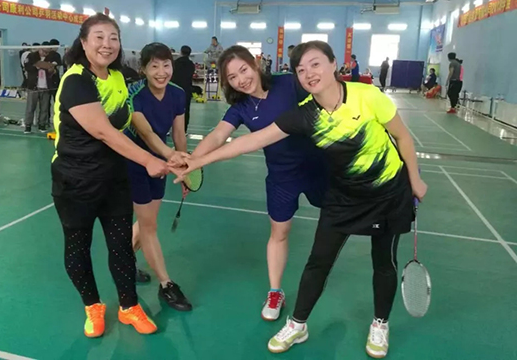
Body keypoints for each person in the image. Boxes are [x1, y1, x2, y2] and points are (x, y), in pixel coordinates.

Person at [174, 40, 427, 358]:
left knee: (384, 262)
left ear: (334, 64)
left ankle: (380, 323)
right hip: (328, 191)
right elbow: (245, 141)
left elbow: (401, 135)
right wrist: (195, 161)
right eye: (302, 69)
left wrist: (415, 179)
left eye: (315, 64)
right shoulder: (301, 115)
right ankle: (296, 321)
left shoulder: (365, 96)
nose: (309, 74)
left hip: (374, 189)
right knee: (316, 259)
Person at [189, 45, 327, 321]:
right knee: (279, 232)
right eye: (233, 77)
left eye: (243, 70)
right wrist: (191, 162)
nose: (241, 80)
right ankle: (275, 291)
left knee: (341, 218)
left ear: (254, 63)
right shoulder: (241, 107)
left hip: (320, 167)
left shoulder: (288, 83)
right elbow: (218, 136)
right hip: (281, 176)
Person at [52, 13, 168, 338]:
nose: (107, 44)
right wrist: (148, 160)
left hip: (114, 179)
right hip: (76, 181)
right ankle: (93, 306)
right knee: (78, 248)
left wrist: (167, 152)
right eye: (99, 37)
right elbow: (103, 131)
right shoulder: (76, 81)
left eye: (113, 38)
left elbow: (131, 119)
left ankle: (129, 307)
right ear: (84, 42)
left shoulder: (117, 77)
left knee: (121, 247)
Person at [126, 42, 192, 312]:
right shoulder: (134, 94)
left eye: (166, 65)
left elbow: (179, 133)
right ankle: (166, 284)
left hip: (163, 163)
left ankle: (124, 262)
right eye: (154, 66)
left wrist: (185, 166)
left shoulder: (177, 94)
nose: (162, 72)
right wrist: (171, 157)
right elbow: (147, 134)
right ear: (143, 69)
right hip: (134, 161)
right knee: (149, 226)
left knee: (147, 221)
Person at [23, 43, 51, 133]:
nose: (45, 54)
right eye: (44, 51)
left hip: (46, 86)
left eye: (47, 52)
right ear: (40, 49)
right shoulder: (31, 56)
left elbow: (54, 70)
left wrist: (51, 69)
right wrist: (36, 67)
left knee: (44, 108)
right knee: (30, 107)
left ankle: (42, 125)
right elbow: (27, 67)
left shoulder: (50, 57)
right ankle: (28, 126)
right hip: (33, 86)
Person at [171, 45, 196, 132]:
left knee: (172, 109)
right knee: (186, 110)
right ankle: (184, 130)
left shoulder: (175, 63)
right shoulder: (191, 65)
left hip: (175, 89)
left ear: (181, 52)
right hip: (187, 91)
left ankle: (170, 129)